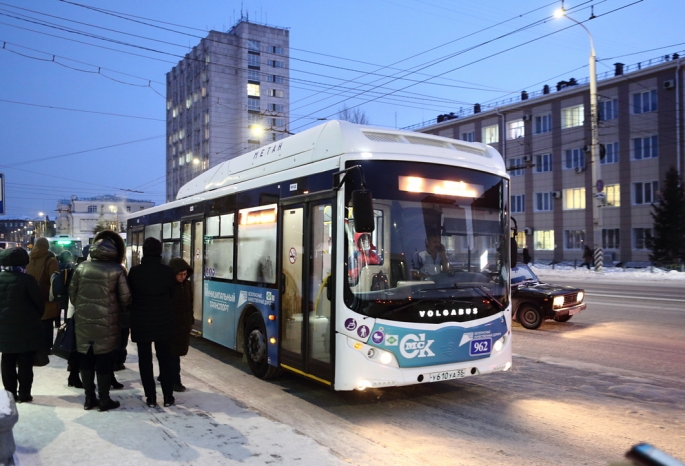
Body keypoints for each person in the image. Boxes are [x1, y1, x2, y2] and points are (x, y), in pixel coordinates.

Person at [70, 230, 131, 412]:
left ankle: (89, 399)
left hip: (84, 322)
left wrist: (83, 308)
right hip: (107, 323)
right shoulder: (116, 270)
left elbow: (72, 294)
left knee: (86, 360)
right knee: (104, 360)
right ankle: (104, 399)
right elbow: (126, 298)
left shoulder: (81, 268)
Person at [128, 237, 176, 408]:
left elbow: (130, 294)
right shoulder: (167, 271)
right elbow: (172, 294)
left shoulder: (134, 272)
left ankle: (150, 397)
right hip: (163, 320)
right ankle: (168, 396)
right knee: (165, 359)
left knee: (145, 360)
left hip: (141, 321)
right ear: (160, 251)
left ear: (143, 251)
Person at [0, 247, 44, 403]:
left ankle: (9, 394)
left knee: (7, 359)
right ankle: (24, 393)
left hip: (3, 328)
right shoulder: (27, 280)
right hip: (26, 329)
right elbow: (39, 304)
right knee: (25, 361)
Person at [50, 250, 82, 388]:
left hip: (74, 313)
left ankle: (73, 375)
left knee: (76, 346)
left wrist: (69, 318)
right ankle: (76, 377)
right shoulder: (79, 271)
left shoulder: (74, 269)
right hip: (84, 315)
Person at [26, 237, 60, 352]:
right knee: (47, 321)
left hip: (31, 293)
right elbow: (54, 278)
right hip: (45, 294)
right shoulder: (51, 260)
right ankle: (46, 346)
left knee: (35, 321)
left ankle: (36, 344)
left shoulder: (29, 258)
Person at [168, 257, 194, 393]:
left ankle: (168, 377)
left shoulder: (187, 285)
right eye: (180, 274)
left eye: (185, 274)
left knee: (177, 353)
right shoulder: (169, 286)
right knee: (173, 355)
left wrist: (190, 320)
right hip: (172, 326)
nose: (183, 277)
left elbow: (189, 304)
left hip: (183, 325)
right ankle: (175, 381)